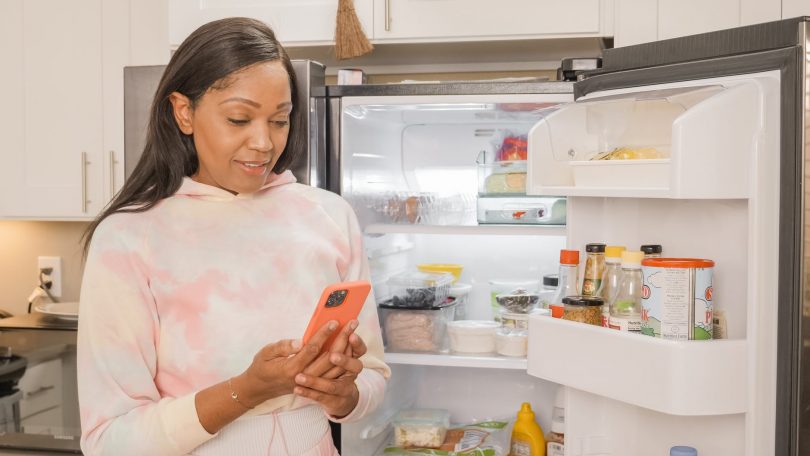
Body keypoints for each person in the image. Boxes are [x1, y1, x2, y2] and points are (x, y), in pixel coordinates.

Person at [77, 17, 390, 455]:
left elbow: (373, 374)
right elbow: (109, 440)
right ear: (184, 112)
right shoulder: (130, 236)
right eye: (239, 119)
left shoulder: (329, 216)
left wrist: (344, 395)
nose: (263, 142)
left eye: (279, 121)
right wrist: (246, 390)